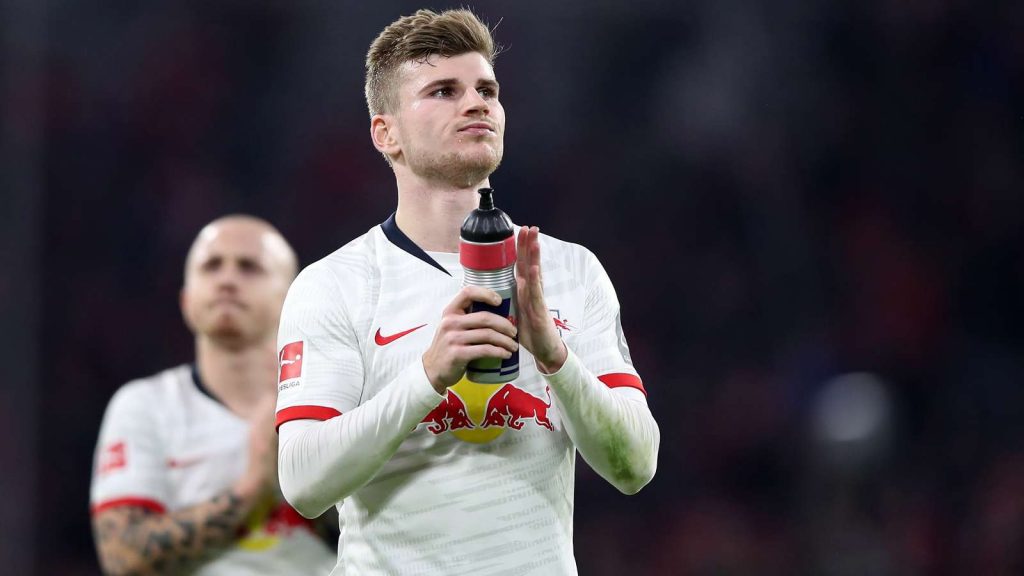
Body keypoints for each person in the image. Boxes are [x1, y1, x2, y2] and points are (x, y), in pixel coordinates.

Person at [275, 8, 660, 575]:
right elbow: (303, 484)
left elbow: (636, 466)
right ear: (386, 133)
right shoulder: (335, 285)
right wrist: (427, 376)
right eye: (443, 91)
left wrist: (556, 359)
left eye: (487, 90)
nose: (476, 104)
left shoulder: (570, 271)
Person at [90, 215, 336, 575]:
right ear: (186, 300)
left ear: (291, 299)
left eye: (249, 267)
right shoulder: (145, 406)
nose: (227, 280)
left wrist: (309, 472)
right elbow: (122, 558)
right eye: (211, 266)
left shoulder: (333, 398)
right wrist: (252, 489)